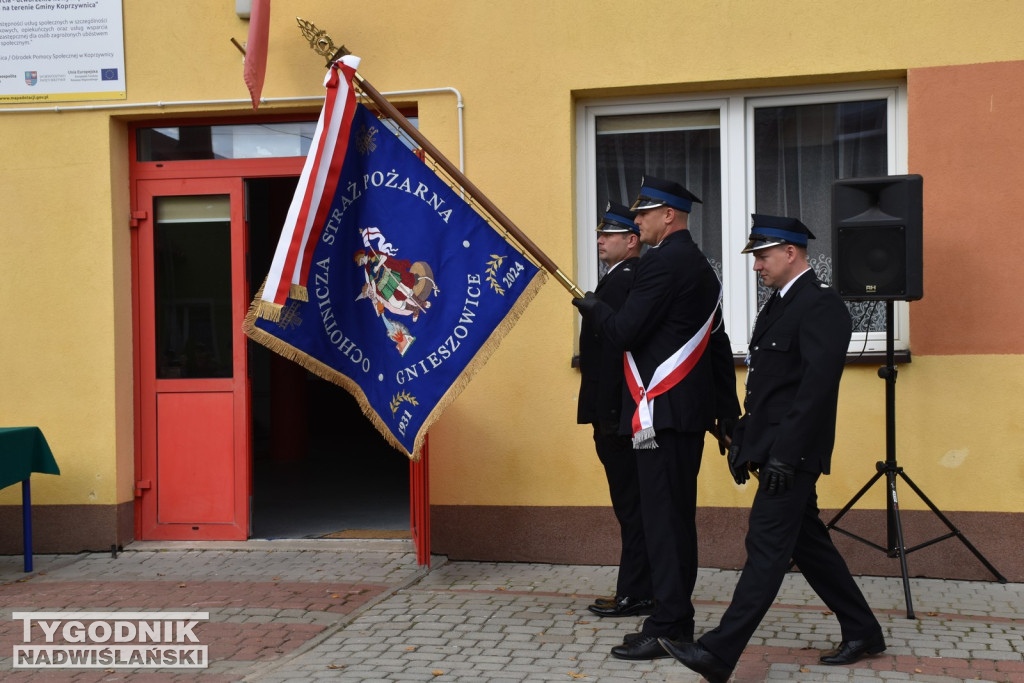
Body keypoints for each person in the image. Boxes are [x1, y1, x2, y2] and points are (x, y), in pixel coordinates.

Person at [659, 214, 885, 682]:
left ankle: (718, 653)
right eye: (755, 257)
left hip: (794, 455)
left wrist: (786, 454)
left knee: (765, 547)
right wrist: (744, 444)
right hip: (775, 450)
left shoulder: (822, 306)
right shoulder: (779, 305)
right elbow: (768, 391)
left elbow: (815, 392)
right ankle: (863, 630)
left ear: (791, 252)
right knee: (810, 543)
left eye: (762, 256)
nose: (757, 266)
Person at [573, 176, 740, 660]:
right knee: (669, 519)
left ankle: (670, 625)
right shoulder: (699, 266)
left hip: (658, 416)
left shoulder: (662, 265)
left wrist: (595, 308)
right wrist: (726, 411)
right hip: (677, 415)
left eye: (644, 213)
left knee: (663, 521)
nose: (637, 220)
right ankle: (668, 615)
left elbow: (624, 331)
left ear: (668, 215)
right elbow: (718, 345)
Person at [577, 202, 653, 619]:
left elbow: (617, 351)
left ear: (632, 240)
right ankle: (641, 587)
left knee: (632, 506)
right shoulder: (618, 280)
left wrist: (610, 416)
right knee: (633, 505)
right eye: (600, 233)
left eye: (610, 234)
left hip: (619, 414)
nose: (600, 239)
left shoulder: (628, 280)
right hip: (615, 412)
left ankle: (637, 592)